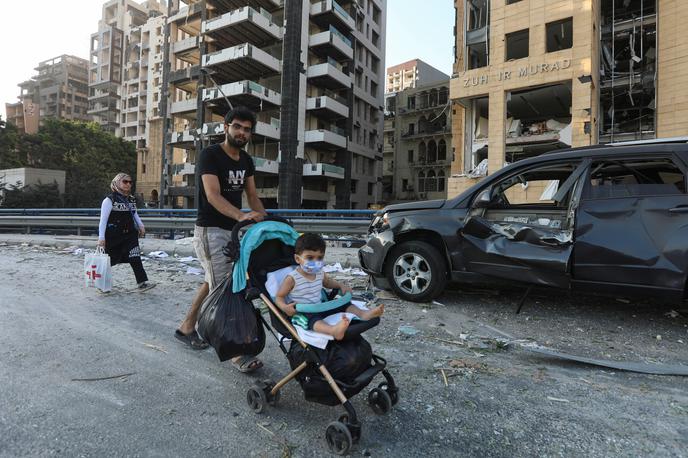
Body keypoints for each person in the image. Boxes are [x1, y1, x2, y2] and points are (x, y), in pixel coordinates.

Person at [175, 106, 267, 373]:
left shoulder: (246, 160)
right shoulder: (210, 155)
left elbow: (251, 194)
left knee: (216, 281)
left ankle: (187, 328)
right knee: (226, 292)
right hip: (211, 230)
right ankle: (237, 352)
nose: (242, 132)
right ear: (226, 127)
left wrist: (262, 215)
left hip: (234, 231)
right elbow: (213, 195)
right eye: (237, 126)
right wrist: (242, 216)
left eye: (247, 129)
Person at [275, 233, 385, 340]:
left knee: (344, 303)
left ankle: (363, 314)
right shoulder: (292, 278)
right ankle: (333, 330)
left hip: (320, 306)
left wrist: (341, 285)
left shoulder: (319, 273)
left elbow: (328, 282)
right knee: (312, 320)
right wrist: (285, 308)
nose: (315, 262)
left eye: (319, 258)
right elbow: (279, 297)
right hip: (304, 311)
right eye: (310, 258)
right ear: (298, 259)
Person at [97, 173, 154, 291]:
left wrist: (141, 225)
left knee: (135, 256)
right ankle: (102, 285)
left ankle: (142, 283)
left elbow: (134, 213)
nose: (128, 184)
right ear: (117, 183)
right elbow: (103, 220)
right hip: (113, 235)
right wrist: (101, 237)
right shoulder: (109, 200)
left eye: (130, 182)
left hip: (130, 234)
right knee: (109, 260)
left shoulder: (131, 199)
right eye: (125, 182)